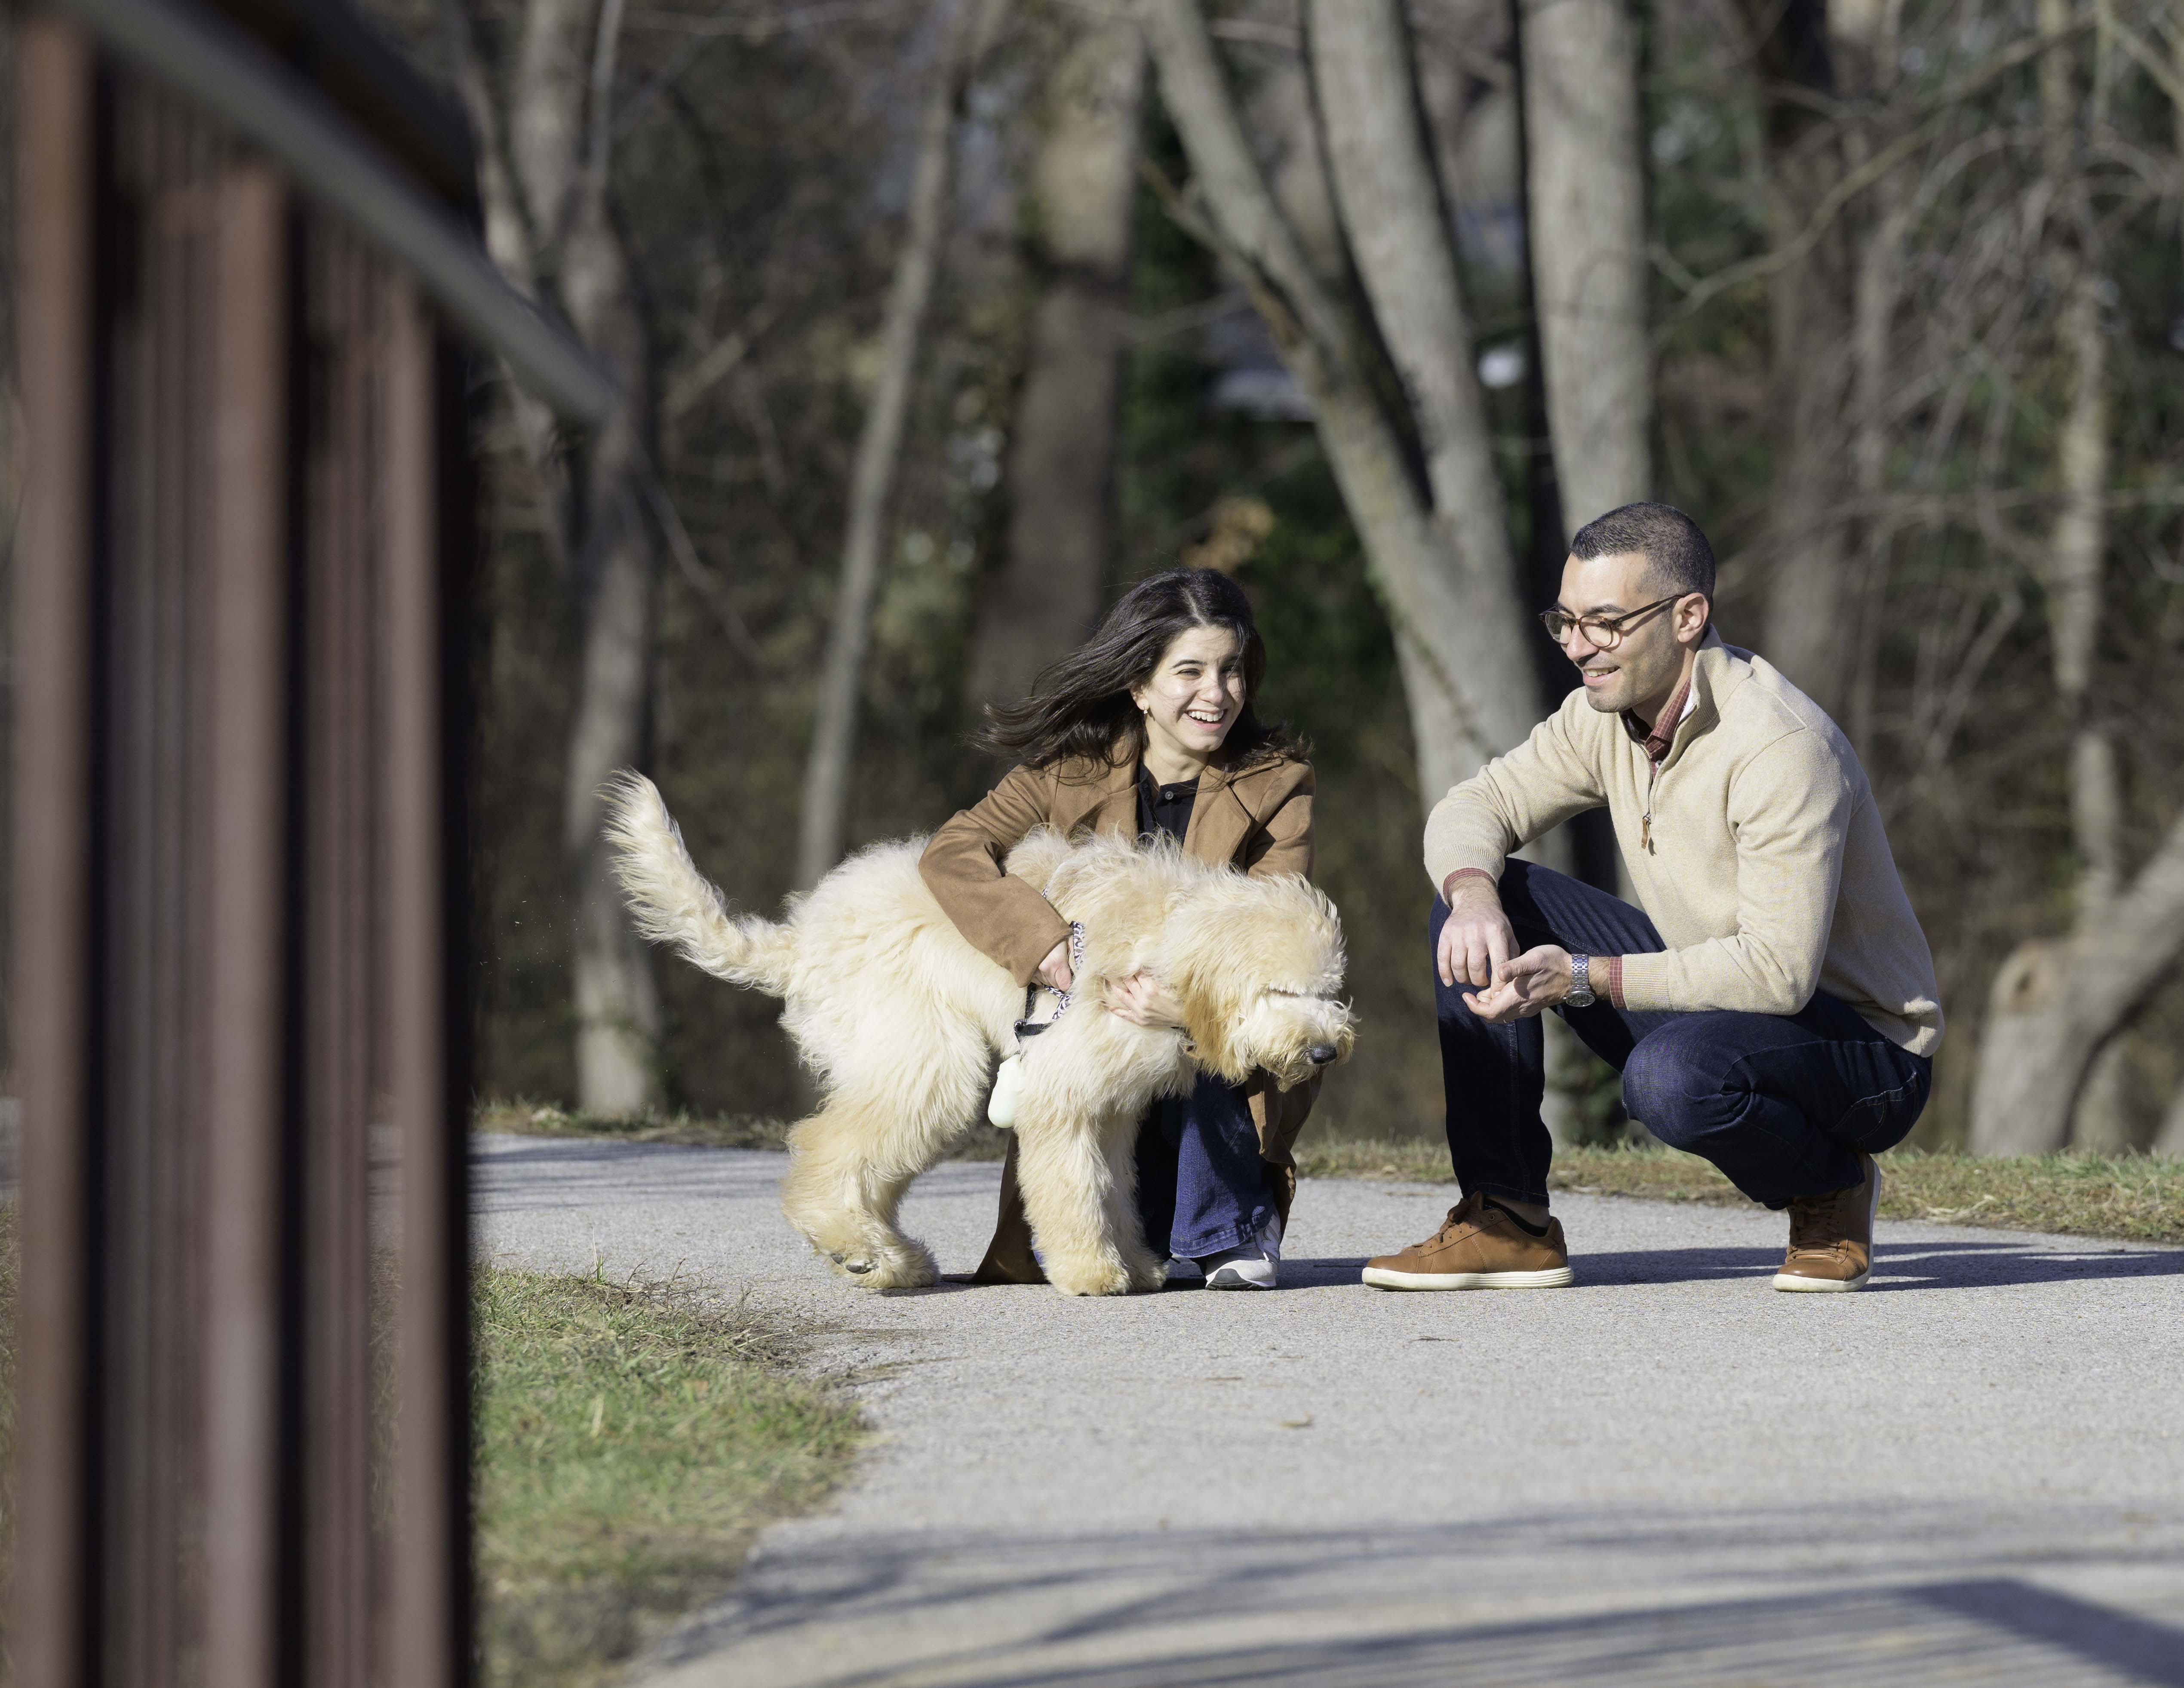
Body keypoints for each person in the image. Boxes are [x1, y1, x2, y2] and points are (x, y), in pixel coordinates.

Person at [1364, 502, 1943, 1294]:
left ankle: (1829, 1184)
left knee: (1667, 1080)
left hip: (1860, 1056)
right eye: (1565, 620)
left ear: (1687, 617)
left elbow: (1777, 974)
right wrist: (1472, 896)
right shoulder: (1604, 713)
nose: (1577, 646)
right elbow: (1477, 806)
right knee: (1476, 903)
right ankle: (1510, 1216)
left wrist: (1580, 977)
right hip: (1716, 997)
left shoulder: (1780, 747)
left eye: (1604, 622)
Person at [921, 569, 1318, 1290]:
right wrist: (1036, 936)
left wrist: (1191, 1009)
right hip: (1098, 1078)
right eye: (1190, 671)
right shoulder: (1066, 772)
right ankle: (1089, 1228)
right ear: (1139, 685)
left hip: (1204, 1074)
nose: (1217, 692)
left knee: (1204, 1025)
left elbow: (1275, 953)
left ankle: (1229, 1228)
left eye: (1231, 669)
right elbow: (952, 853)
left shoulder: (1278, 787)